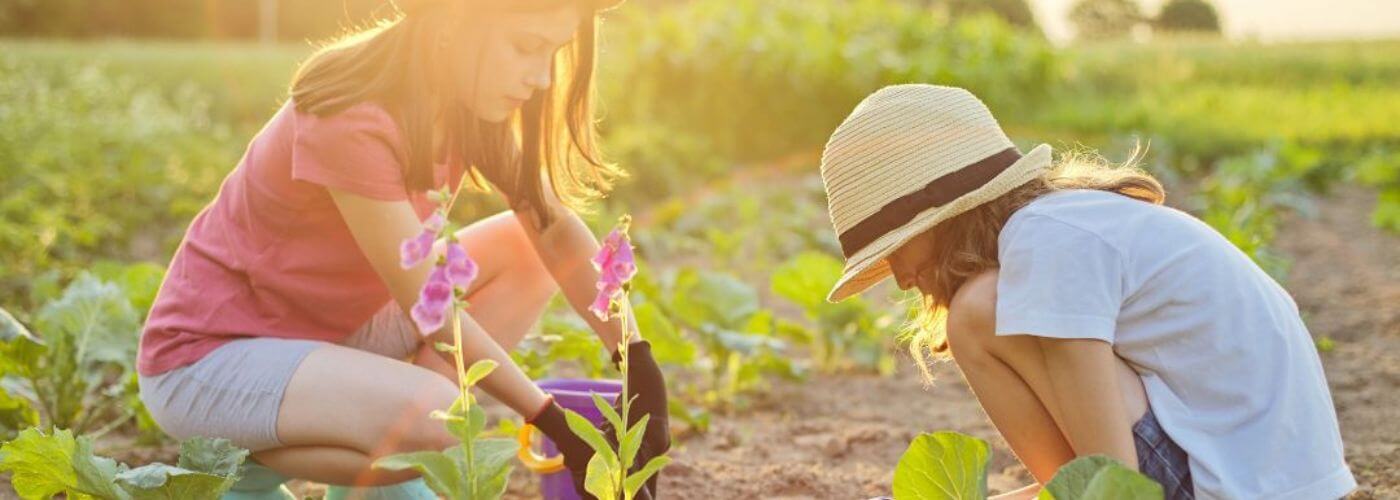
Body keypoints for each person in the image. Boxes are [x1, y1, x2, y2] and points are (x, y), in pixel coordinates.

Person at [135, 0, 668, 498]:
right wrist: (553, 422)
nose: (543, 77)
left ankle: (385, 458)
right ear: (452, 24)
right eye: (526, 47)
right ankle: (234, 463)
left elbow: (552, 230)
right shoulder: (353, 113)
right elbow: (429, 309)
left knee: (524, 251)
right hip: (208, 362)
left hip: (333, 334)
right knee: (441, 423)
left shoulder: (464, 101)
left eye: (552, 52)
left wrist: (636, 358)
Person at [820, 84, 1355, 500]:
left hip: (1233, 484)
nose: (897, 277)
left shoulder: (1045, 243)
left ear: (940, 221)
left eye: (894, 251)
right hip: (1265, 477)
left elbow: (1109, 480)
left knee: (976, 314)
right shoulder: (1071, 223)